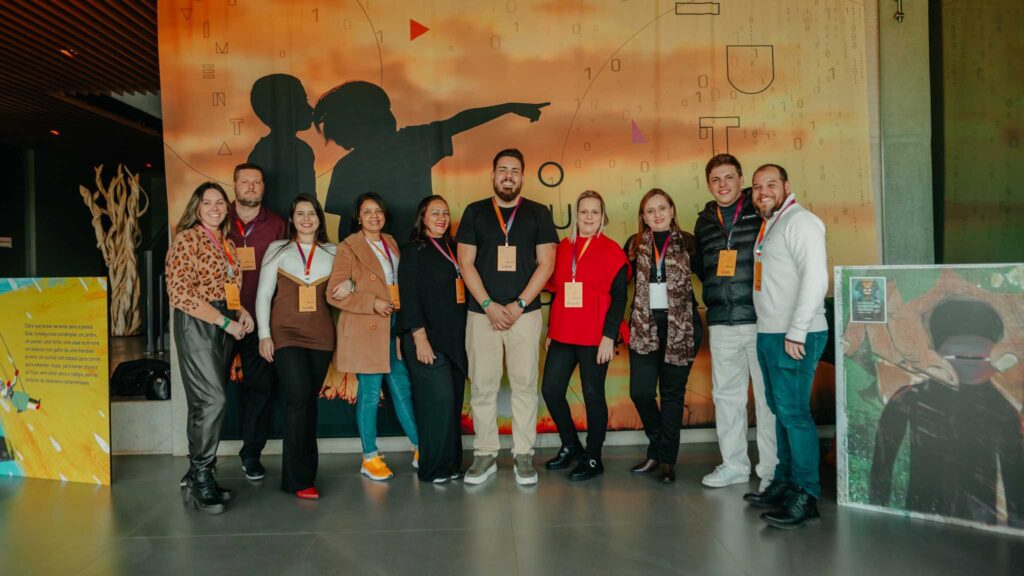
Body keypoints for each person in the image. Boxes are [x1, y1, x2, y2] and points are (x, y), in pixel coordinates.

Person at [313, 80, 548, 240]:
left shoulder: (350, 166)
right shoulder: (412, 142)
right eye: (382, 111)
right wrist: (509, 107)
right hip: (388, 257)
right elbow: (348, 228)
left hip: (414, 251)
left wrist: (509, 107)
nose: (389, 115)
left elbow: (460, 121)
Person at [456, 148, 558, 486]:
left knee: (524, 385)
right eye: (503, 170)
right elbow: (465, 263)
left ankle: (523, 454)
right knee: (482, 386)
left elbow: (547, 264)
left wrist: (519, 304)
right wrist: (488, 304)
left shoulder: (539, 213)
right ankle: (485, 453)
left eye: (515, 170)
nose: (508, 176)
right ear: (493, 174)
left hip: (524, 315)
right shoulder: (475, 212)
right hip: (481, 314)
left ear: (523, 177)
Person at [741, 164, 829, 530]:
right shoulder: (773, 223)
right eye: (757, 186)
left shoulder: (801, 222)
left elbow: (816, 277)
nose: (763, 191)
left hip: (795, 335)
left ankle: (806, 494)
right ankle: (785, 481)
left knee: (794, 413)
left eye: (770, 184)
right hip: (770, 332)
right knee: (780, 410)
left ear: (786, 186)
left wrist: (797, 331)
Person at [166, 182, 255, 514]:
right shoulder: (187, 239)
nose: (215, 208)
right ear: (197, 207)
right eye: (208, 202)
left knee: (202, 403)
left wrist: (241, 312)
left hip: (224, 321)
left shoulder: (227, 243)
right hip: (198, 323)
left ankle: (197, 472)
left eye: (220, 202)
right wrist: (223, 321)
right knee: (214, 399)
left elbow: (228, 287)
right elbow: (180, 293)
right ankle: (202, 476)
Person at [692, 154, 777, 491]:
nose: (723, 184)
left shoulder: (761, 211)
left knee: (768, 399)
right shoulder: (704, 222)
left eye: (729, 177)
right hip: (721, 321)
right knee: (726, 397)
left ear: (741, 179)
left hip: (760, 319)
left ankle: (771, 471)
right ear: (708, 184)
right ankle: (734, 465)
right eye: (716, 179)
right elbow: (704, 268)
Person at [327, 192, 419, 481]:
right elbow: (333, 293)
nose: (373, 216)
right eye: (367, 212)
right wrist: (371, 302)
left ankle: (420, 446)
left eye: (378, 211)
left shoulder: (390, 242)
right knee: (369, 394)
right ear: (358, 217)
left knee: (402, 387)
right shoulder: (349, 247)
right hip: (367, 328)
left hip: (393, 326)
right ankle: (369, 457)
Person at [541, 191, 629, 481]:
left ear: (602, 217)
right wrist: (552, 330)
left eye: (595, 212)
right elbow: (559, 293)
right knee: (551, 390)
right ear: (575, 216)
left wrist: (609, 336)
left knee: (593, 395)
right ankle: (571, 445)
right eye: (583, 212)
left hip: (595, 336)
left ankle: (593, 457)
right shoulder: (562, 248)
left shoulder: (612, 251)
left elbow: (619, 298)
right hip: (564, 333)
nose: (589, 217)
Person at [255, 194, 336, 499]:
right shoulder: (278, 249)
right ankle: (298, 479)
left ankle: (306, 474)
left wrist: (350, 285)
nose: (306, 219)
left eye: (311, 213)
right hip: (285, 333)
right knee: (298, 398)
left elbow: (352, 285)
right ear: (292, 218)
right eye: (300, 213)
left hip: (321, 336)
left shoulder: (334, 251)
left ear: (319, 218)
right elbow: (263, 295)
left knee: (308, 403)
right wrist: (264, 335)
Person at [624, 188, 702, 484]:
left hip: (681, 327)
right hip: (644, 326)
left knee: (672, 394)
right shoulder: (634, 245)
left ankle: (666, 460)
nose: (657, 214)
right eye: (650, 210)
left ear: (672, 210)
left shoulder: (689, 243)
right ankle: (658, 447)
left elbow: (710, 274)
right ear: (643, 217)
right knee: (640, 392)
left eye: (662, 208)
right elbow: (619, 282)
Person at [398, 195, 468, 484]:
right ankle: (433, 467)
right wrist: (419, 338)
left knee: (452, 404)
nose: (441, 218)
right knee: (437, 402)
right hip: (427, 341)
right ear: (422, 218)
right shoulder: (413, 250)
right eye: (435, 213)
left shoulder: (455, 248)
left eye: (445, 213)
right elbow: (409, 296)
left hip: (455, 342)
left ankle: (451, 465)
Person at [226, 163, 287, 483]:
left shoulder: (277, 224)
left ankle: (251, 454)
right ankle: (201, 461)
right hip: (220, 320)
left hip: (261, 322)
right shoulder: (218, 219)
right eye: (244, 181)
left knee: (260, 390)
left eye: (256, 182)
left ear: (264, 187)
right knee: (210, 392)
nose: (251, 186)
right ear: (234, 185)